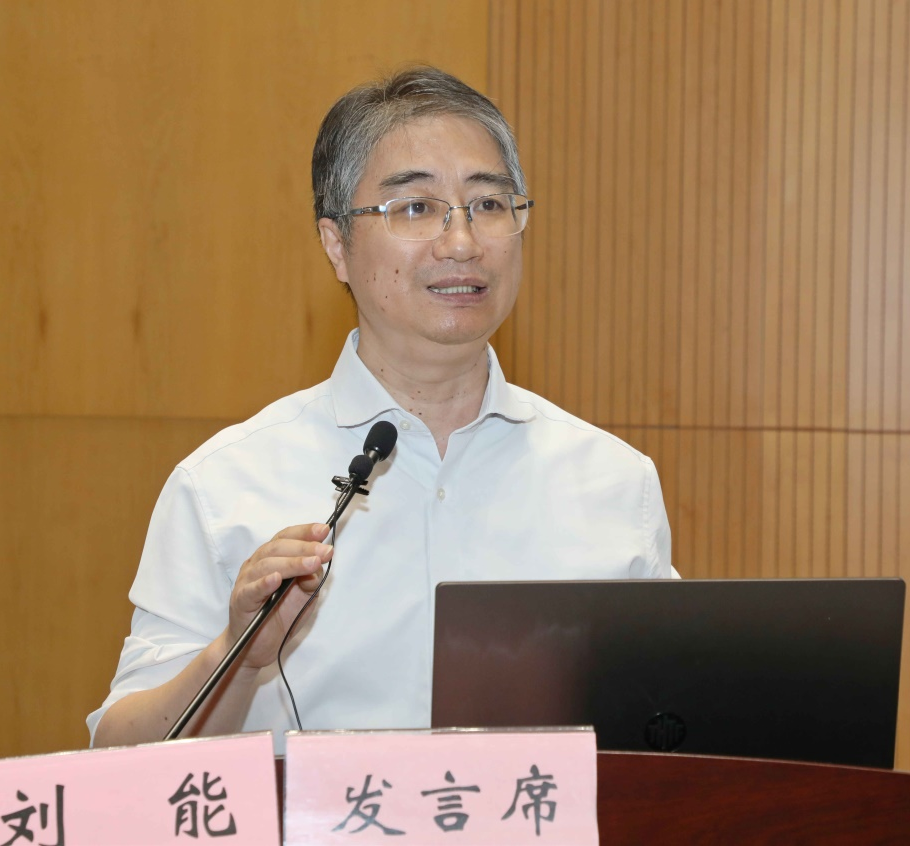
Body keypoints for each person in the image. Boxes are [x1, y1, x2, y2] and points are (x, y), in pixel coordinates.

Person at [88, 66, 675, 750]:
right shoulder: (224, 484)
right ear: (336, 244)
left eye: (489, 204)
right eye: (416, 208)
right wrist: (237, 656)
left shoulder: (613, 482)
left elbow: (668, 734)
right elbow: (118, 755)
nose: (462, 242)